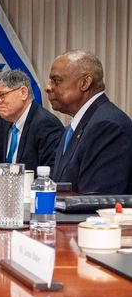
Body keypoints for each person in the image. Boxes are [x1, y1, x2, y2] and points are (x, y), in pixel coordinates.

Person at [47, 50, 132, 194]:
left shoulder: (107, 126)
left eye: (56, 80)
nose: (48, 87)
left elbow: (97, 201)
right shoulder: (73, 128)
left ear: (85, 83)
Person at [0, 69, 63, 172]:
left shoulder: (45, 124)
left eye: (1, 95)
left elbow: (52, 174)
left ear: (23, 93)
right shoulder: (8, 123)